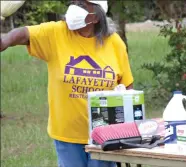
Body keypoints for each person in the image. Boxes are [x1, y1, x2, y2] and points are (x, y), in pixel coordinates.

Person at [0, 0, 134, 167]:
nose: (75, 7)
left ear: (95, 17)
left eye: (83, 4)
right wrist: (5, 41)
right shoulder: (56, 33)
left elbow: (128, 88)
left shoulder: (114, 43)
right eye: (75, 2)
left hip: (105, 136)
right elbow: (24, 33)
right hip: (67, 135)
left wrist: (128, 132)